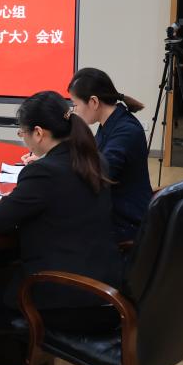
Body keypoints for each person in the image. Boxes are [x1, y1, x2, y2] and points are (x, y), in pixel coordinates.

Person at [0, 91, 124, 365]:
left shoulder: (44, 172)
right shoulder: (94, 159)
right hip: (108, 289)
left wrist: (4, 202)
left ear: (39, 133)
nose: (24, 139)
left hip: (71, 297)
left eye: (23, 133)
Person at [68, 67, 152, 242]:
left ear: (93, 102)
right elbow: (91, 157)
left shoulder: (126, 130)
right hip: (113, 211)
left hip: (125, 223)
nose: (74, 110)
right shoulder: (110, 123)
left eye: (75, 104)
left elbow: (99, 174)